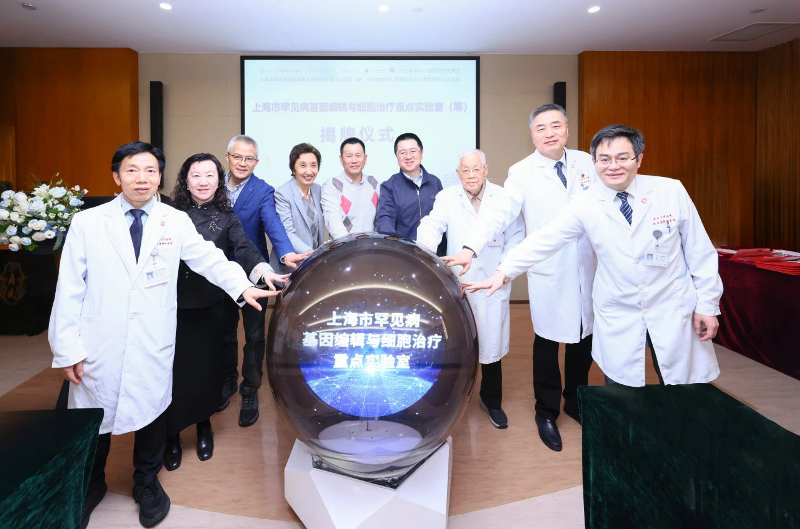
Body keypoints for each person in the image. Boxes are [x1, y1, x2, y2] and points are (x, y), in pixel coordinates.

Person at [49, 142, 279, 528]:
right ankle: (91, 483)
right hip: (100, 339)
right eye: (132, 170)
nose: (142, 178)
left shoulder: (173, 220)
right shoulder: (88, 223)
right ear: (116, 177)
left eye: (151, 170)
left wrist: (242, 286)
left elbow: (209, 258)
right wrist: (66, 348)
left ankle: (146, 482)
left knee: (151, 411)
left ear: (159, 177)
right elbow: (69, 288)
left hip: (152, 336)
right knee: (94, 415)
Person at [462, 124, 722, 392]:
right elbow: (545, 239)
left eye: (622, 158)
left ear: (639, 159)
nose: (613, 166)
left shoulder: (670, 191)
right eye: (604, 159)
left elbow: (700, 252)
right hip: (619, 307)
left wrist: (708, 305)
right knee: (622, 391)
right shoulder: (585, 203)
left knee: (684, 389)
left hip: (673, 304)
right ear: (594, 162)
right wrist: (503, 271)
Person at [443, 104, 597, 452]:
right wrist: (470, 247)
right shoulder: (522, 171)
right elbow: (498, 214)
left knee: (582, 341)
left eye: (555, 126)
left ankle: (576, 401)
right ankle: (547, 412)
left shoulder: (587, 163)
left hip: (587, 267)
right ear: (532, 135)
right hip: (550, 269)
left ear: (567, 129)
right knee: (547, 344)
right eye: (541, 128)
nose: (549, 133)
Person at [164, 153, 289, 471]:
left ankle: (203, 426)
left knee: (207, 367)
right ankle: (171, 434)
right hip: (170, 305)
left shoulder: (226, 215)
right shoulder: (169, 214)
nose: (203, 181)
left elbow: (243, 247)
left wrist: (263, 270)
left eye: (210, 175)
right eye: (196, 175)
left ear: (219, 181)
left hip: (210, 301)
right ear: (185, 180)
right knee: (172, 370)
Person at [416, 150, 524, 428]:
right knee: (455, 344)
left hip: (492, 281)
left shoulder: (503, 198)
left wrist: (504, 271)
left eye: (476, 169)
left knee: (491, 346)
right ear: (458, 173)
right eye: (465, 170)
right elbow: (432, 224)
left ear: (486, 169)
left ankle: (492, 401)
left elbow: (516, 238)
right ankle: (452, 402)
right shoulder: (447, 197)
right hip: (459, 282)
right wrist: (425, 250)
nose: (471, 175)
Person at [220, 135, 310, 427]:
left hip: (254, 271)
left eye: (249, 158)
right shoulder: (212, 185)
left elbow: (273, 225)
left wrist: (285, 253)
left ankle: (250, 388)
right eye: (237, 157)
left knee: (255, 335)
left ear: (256, 162)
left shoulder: (262, 190)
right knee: (223, 332)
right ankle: (227, 379)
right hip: (218, 272)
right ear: (227, 157)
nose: (242, 163)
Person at [376, 132, 446, 255]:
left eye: (413, 151)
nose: (408, 156)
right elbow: (386, 219)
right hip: (405, 256)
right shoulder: (389, 186)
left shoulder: (435, 182)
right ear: (396, 156)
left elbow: (444, 218)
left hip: (435, 255)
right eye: (402, 152)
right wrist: (392, 248)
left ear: (421, 153)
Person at [270, 143, 325, 274]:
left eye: (313, 165)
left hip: (314, 266)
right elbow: (288, 233)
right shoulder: (283, 193)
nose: (309, 171)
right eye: (303, 165)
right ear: (293, 168)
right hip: (291, 267)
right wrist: (312, 253)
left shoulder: (318, 190)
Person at [321, 137, 380, 239]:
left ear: (365, 158)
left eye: (358, 155)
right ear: (341, 159)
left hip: (371, 246)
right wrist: (350, 244)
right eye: (349, 156)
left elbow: (379, 219)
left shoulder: (373, 183)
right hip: (345, 246)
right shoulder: (332, 185)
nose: (354, 160)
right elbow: (333, 222)